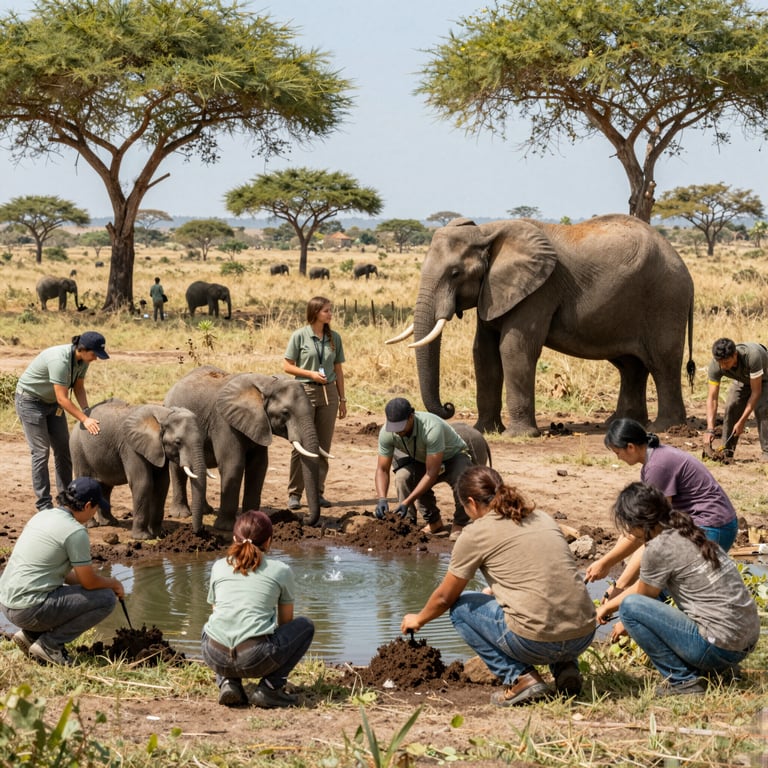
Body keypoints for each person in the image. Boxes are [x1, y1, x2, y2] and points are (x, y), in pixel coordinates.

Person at [401, 466, 596, 705]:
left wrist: (419, 619)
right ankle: (566, 668)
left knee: (460, 608)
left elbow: (444, 598)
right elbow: (543, 574)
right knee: (553, 602)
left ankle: (520, 678)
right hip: (583, 634)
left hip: (535, 642)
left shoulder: (475, 533)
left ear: (471, 503)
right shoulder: (541, 517)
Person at [596, 482, 759, 696]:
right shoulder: (688, 530)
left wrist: (607, 608)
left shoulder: (658, 548)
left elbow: (642, 596)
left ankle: (683, 681)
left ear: (638, 524)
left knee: (629, 608)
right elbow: (644, 587)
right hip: (746, 640)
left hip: (720, 647)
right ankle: (721, 669)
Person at [586, 418, 738, 598]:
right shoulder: (653, 461)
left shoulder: (657, 467)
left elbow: (650, 532)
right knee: (653, 585)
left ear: (631, 447)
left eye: (617, 452)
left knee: (660, 591)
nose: (618, 458)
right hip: (702, 525)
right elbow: (638, 531)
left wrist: (613, 576)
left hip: (713, 527)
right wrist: (615, 577)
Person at [0, 477, 124, 666]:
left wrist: (100, 582)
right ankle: (50, 645)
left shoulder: (43, 515)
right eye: (96, 508)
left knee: (68, 591)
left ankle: (31, 635)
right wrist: (113, 584)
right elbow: (89, 582)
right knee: (106, 599)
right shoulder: (75, 532)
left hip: (7, 604)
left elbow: (65, 575)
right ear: (87, 506)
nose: (95, 513)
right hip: (28, 609)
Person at [200, 510, 315, 708]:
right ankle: (270, 688)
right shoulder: (281, 570)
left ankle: (228, 682)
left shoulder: (218, 566)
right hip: (255, 657)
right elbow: (286, 623)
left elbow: (217, 612)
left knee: (211, 626)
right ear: (268, 541)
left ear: (234, 539)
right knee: (305, 626)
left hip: (214, 654)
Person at [15, 331, 109, 512]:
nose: (96, 358)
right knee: (41, 452)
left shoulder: (83, 361)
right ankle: (44, 504)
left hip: (52, 404)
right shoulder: (60, 360)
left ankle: (67, 500)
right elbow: (62, 399)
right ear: (82, 349)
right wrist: (84, 419)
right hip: (30, 402)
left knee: (64, 450)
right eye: (94, 354)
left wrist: (86, 410)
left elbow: (79, 387)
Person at [375, 397, 473, 539]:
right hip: (423, 459)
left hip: (453, 457)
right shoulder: (387, 432)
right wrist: (382, 499)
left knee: (462, 479)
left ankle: (460, 523)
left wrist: (406, 502)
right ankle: (419, 522)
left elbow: (431, 473)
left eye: (400, 426)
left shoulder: (431, 428)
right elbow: (382, 469)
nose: (397, 431)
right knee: (403, 477)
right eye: (393, 427)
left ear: (411, 417)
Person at [283, 296, 346, 510]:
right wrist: (310, 374)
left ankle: (317, 493)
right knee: (301, 444)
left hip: (329, 394)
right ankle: (295, 494)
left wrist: (342, 399)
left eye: (330, 310)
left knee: (323, 446)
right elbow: (287, 366)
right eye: (326, 311)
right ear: (315, 312)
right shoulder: (299, 336)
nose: (330, 314)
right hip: (304, 392)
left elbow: (338, 370)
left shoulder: (334, 338)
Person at [704, 337, 768, 460]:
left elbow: (756, 392)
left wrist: (742, 421)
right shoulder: (716, 365)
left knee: (762, 408)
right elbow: (712, 398)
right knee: (731, 406)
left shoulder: (752, 357)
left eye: (726, 362)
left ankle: (767, 451)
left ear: (735, 355)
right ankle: (726, 451)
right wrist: (710, 429)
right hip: (743, 379)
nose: (724, 366)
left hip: (764, 378)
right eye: (721, 363)